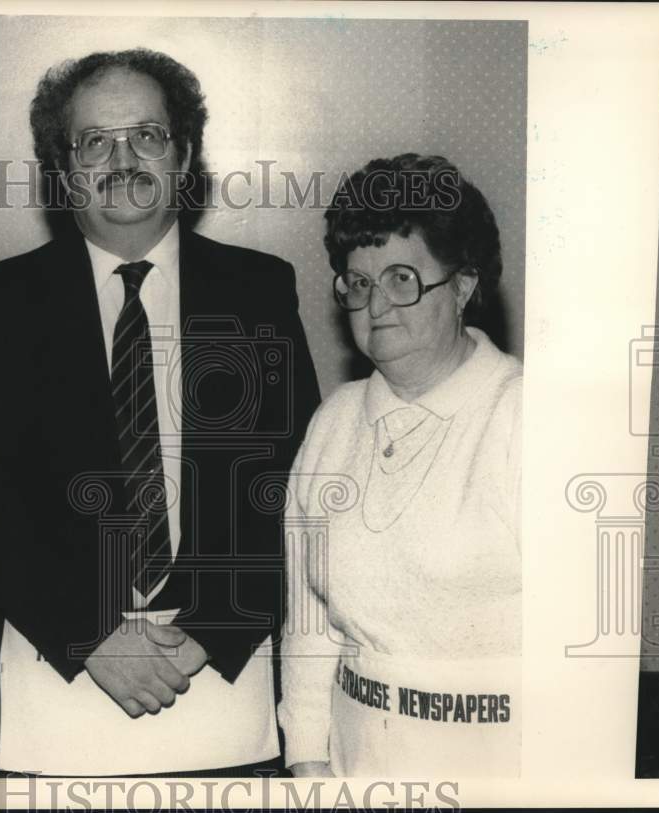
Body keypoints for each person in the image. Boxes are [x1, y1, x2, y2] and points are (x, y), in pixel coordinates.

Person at [0, 48, 320, 777]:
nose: (123, 160)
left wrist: (209, 630)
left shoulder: (258, 291)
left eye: (147, 135)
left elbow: (294, 482)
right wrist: (89, 633)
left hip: (225, 682)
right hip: (58, 686)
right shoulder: (5, 301)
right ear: (62, 169)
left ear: (183, 154)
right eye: (94, 141)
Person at [278, 154, 522, 777]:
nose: (376, 304)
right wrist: (307, 760)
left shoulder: (525, 416)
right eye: (358, 283)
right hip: (352, 765)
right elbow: (309, 618)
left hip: (498, 770)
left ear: (462, 286)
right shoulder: (335, 421)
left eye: (402, 278)